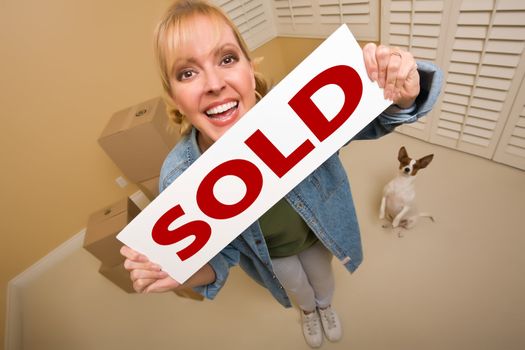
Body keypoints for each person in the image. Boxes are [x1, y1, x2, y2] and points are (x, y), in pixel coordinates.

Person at [120, 0, 442, 348]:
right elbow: (219, 259)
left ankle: (325, 307)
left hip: (320, 233)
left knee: (322, 280)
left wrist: (400, 93)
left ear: (248, 66)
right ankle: (308, 312)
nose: (214, 83)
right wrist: (180, 272)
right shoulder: (179, 177)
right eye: (187, 72)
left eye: (227, 58)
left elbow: (377, 118)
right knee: (298, 289)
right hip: (272, 256)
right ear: (173, 96)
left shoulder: (296, 111)